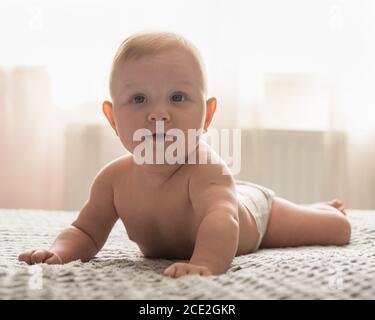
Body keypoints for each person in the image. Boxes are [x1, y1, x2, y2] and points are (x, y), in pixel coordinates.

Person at [18, 32, 351, 278]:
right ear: (112, 119)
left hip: (254, 214)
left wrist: (204, 263)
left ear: (206, 116)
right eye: (138, 100)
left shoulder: (208, 171)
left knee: (335, 230)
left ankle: (322, 210)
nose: (159, 114)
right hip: (229, 199)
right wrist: (59, 253)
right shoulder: (113, 181)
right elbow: (86, 232)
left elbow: (223, 221)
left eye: (177, 97)